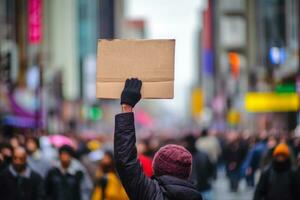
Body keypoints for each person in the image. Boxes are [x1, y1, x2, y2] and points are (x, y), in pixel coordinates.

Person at [114, 78, 202, 200]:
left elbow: (126, 162)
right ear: (187, 172)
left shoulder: (151, 194)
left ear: (156, 168)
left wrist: (127, 107)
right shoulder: (197, 196)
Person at [184, 135, 214, 200]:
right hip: (204, 187)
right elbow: (211, 170)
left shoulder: (182, 157)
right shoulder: (204, 155)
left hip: (190, 190)